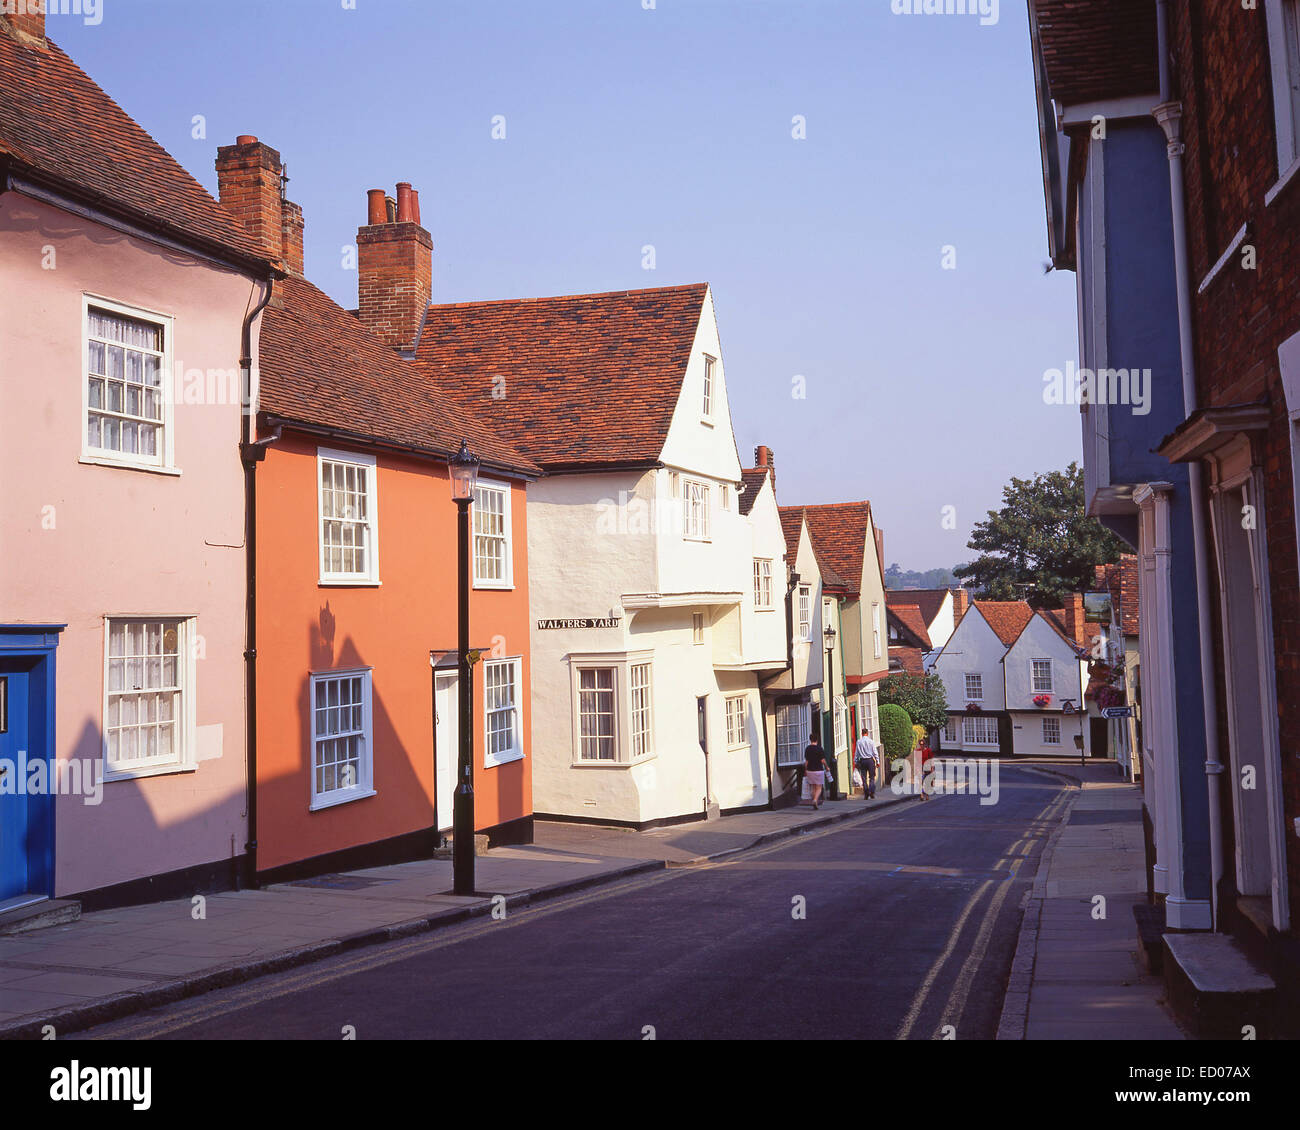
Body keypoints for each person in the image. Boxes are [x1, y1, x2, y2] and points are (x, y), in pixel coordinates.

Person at [803, 731, 830, 809]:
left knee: (813, 786)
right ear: (817, 740)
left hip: (810, 770)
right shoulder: (819, 749)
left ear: (810, 740)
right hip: (818, 770)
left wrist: (805, 770)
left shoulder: (807, 749)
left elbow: (806, 762)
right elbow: (822, 761)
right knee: (819, 787)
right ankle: (815, 800)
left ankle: (813, 799)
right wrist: (827, 767)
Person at [853, 726, 879, 800]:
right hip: (870, 761)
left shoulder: (859, 742)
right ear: (867, 733)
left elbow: (856, 753)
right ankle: (872, 792)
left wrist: (856, 761)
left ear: (862, 733)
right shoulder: (871, 741)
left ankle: (866, 793)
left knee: (864, 778)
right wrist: (877, 761)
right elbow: (875, 752)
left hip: (862, 761)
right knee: (872, 777)